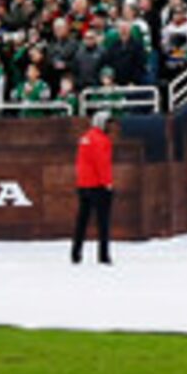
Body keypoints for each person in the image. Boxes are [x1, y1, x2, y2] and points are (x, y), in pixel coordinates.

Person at [69, 110, 115, 265]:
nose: (110, 127)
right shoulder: (102, 140)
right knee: (103, 222)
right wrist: (107, 183)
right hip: (98, 186)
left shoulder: (85, 138)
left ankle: (76, 253)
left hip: (83, 185)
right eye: (108, 123)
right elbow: (102, 164)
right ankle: (103, 256)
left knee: (82, 220)